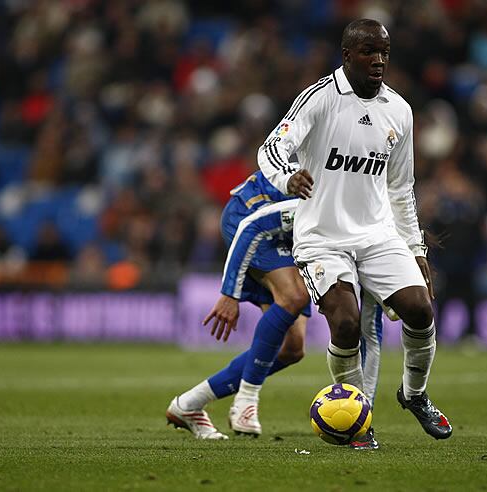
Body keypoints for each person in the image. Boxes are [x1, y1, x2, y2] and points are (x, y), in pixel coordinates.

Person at [257, 19, 452, 439]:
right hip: (323, 238)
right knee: (345, 323)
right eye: (368, 51)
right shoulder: (319, 100)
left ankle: (414, 393)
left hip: (377, 235)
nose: (378, 60)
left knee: (420, 308)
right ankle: (356, 421)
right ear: (347, 55)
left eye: (383, 51)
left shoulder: (399, 111)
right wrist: (287, 176)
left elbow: (401, 188)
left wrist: (416, 248)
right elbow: (272, 147)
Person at [166, 171, 385, 449]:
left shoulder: (364, 218)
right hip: (251, 217)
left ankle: (188, 405)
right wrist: (229, 294)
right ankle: (246, 401)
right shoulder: (325, 207)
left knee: (292, 348)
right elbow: (252, 227)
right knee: (294, 296)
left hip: (289, 232)